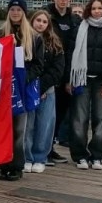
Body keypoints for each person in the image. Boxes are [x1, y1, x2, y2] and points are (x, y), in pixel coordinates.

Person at [68, 0, 102, 169]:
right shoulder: (80, 28)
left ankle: (97, 155)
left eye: (100, 8)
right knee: (79, 119)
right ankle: (80, 155)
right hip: (82, 79)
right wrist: (70, 80)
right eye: (94, 8)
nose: (97, 11)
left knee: (101, 119)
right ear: (89, 10)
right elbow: (71, 54)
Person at [0, 0, 36, 181]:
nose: (15, 13)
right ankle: (3, 165)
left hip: (22, 88)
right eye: (12, 9)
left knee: (20, 129)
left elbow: (38, 65)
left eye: (19, 10)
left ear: (24, 13)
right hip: (4, 89)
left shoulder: (34, 37)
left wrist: (23, 79)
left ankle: (17, 165)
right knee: (4, 128)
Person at [25, 9, 65, 172]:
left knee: (45, 125)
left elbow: (57, 69)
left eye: (44, 21)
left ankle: (40, 157)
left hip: (46, 90)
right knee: (28, 125)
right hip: (28, 89)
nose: (40, 24)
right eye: (38, 20)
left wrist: (41, 88)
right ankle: (27, 156)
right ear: (32, 21)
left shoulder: (54, 43)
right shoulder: (25, 40)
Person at [47, 0, 80, 163]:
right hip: (49, 71)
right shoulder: (46, 16)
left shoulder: (75, 20)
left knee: (59, 113)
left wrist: (69, 78)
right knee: (45, 114)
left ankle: (50, 147)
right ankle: (42, 148)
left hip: (66, 73)